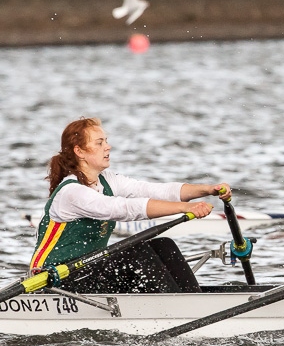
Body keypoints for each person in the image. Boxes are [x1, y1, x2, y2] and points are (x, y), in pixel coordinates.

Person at [30, 117, 232, 294]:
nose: (107, 147)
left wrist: (208, 189)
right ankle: (178, 309)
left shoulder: (107, 181)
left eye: (106, 142)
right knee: (137, 255)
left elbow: (154, 191)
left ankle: (193, 301)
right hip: (54, 281)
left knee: (164, 245)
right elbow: (123, 209)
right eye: (99, 143)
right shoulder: (71, 192)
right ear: (79, 151)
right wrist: (183, 208)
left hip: (87, 272)